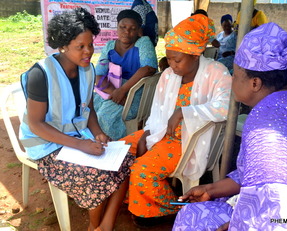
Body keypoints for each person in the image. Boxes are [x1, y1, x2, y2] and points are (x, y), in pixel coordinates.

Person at [173, 22, 287, 231]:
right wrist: (211, 189)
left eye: (235, 76)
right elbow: (258, 174)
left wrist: (241, 224)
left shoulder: (268, 117)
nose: (232, 81)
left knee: (192, 217)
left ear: (255, 83)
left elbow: (276, 199)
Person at [19, 8, 135, 231]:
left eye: (90, 44)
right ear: (62, 45)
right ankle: (93, 226)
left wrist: (98, 132)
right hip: (45, 145)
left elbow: (88, 108)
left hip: (76, 137)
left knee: (125, 162)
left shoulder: (88, 70)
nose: (88, 52)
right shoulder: (40, 74)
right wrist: (81, 144)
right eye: (80, 47)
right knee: (95, 176)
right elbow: (36, 124)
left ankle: (106, 225)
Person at [119, 14, 232, 227]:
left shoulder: (217, 72)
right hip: (163, 132)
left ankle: (172, 207)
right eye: (169, 58)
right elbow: (157, 110)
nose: (171, 65)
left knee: (141, 169)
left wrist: (185, 111)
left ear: (196, 55)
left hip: (189, 142)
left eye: (177, 60)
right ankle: (136, 200)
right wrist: (147, 133)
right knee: (120, 151)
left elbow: (225, 107)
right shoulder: (169, 75)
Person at [93, 9, 157, 141]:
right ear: (117, 27)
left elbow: (148, 69)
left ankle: (114, 149)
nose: (127, 32)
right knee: (88, 109)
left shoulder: (143, 42)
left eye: (132, 28)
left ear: (139, 30)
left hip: (136, 93)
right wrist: (115, 93)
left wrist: (123, 90)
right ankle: (90, 146)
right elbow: (98, 75)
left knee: (105, 116)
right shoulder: (109, 46)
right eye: (123, 27)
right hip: (112, 91)